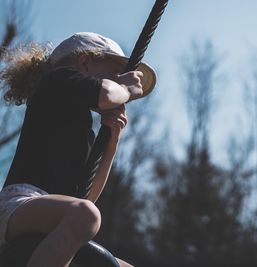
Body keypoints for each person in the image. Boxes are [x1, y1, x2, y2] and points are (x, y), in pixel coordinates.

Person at [0, 32, 156, 267]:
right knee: (87, 215)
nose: (118, 79)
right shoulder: (57, 81)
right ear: (84, 62)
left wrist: (112, 144)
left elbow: (85, 198)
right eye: (115, 73)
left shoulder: (83, 129)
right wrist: (126, 89)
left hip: (51, 215)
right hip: (17, 205)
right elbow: (105, 93)